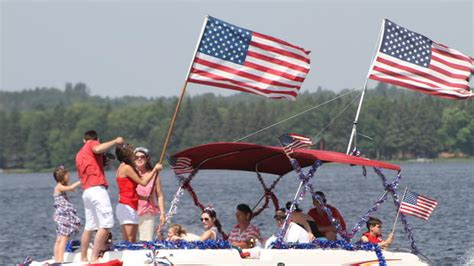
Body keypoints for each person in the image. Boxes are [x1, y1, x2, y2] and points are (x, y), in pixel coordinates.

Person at [76, 130, 123, 262]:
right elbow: (96, 148)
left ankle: (83, 258)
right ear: (96, 139)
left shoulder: (80, 154)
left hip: (86, 191)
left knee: (90, 226)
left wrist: (102, 162)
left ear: (83, 140)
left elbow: (92, 162)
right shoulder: (93, 143)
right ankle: (95, 258)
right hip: (97, 189)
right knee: (106, 224)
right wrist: (115, 141)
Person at [115, 143, 163, 242]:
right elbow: (143, 182)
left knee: (131, 240)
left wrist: (145, 198)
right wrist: (155, 170)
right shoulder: (127, 168)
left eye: (142, 157)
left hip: (133, 206)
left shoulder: (123, 167)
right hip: (128, 206)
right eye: (134, 155)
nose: (137, 158)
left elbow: (130, 191)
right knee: (130, 240)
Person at [134, 147, 166, 241]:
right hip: (132, 211)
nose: (139, 159)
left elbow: (159, 195)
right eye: (136, 157)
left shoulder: (155, 175)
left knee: (145, 239)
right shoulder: (131, 173)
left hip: (148, 212)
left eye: (142, 157)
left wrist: (162, 213)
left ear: (147, 158)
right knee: (131, 240)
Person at [52, 166, 82, 263]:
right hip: (63, 216)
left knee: (59, 239)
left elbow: (70, 188)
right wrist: (82, 180)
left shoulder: (59, 186)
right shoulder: (59, 187)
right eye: (67, 176)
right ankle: (60, 260)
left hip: (61, 215)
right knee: (63, 238)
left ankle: (57, 259)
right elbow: (71, 187)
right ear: (62, 177)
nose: (69, 177)